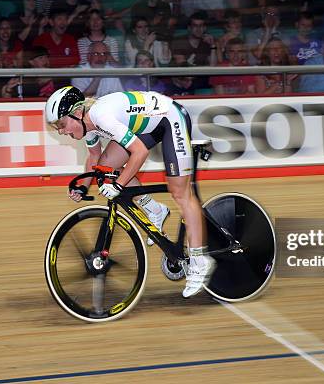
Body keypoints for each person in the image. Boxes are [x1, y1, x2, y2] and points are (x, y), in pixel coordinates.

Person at [44, 86, 215, 297]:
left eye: (62, 124)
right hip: (148, 125)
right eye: (57, 128)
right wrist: (82, 186)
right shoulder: (87, 126)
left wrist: (118, 185)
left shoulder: (101, 116)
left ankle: (199, 261)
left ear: (77, 113)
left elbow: (139, 152)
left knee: (180, 192)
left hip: (170, 118)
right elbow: (95, 159)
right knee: (106, 168)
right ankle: (154, 210)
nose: (62, 131)